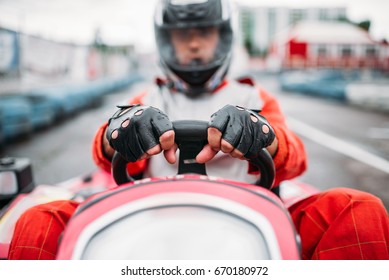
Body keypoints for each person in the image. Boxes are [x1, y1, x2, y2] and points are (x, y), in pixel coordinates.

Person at [8, 0, 389, 260]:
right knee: (39, 218)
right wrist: (118, 134)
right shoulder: (145, 99)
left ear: (222, 36)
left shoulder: (254, 97)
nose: (192, 44)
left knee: (359, 209)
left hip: (248, 215)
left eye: (203, 33)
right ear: (164, 40)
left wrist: (264, 135)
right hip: (151, 213)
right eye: (181, 35)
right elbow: (104, 153)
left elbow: (295, 160)